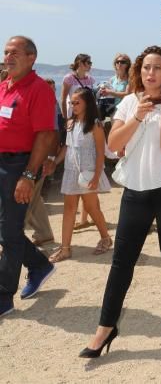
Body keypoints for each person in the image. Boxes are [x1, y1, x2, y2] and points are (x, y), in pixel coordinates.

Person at [80, 45, 161, 358]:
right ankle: (106, 326)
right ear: (138, 72)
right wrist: (138, 116)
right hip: (137, 190)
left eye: (157, 68)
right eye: (146, 68)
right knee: (122, 260)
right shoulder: (130, 102)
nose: (151, 73)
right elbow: (113, 144)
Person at [0, 36, 58, 318]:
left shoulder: (38, 89)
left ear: (31, 58)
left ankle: (3, 297)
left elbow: (46, 134)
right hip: (1, 163)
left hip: (19, 165)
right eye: (6, 52)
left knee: (10, 232)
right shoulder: (3, 87)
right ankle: (39, 265)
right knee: (4, 230)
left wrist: (28, 174)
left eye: (15, 53)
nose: (8, 57)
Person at [47, 87, 112, 262]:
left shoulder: (95, 125)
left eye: (77, 102)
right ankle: (65, 248)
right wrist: (54, 162)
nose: (73, 105)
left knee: (91, 207)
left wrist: (97, 176)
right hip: (71, 170)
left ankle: (105, 237)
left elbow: (100, 152)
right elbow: (67, 148)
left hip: (88, 172)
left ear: (87, 104)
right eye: (71, 102)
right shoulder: (70, 123)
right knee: (69, 208)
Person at [23, 78, 61, 247]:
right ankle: (44, 234)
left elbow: (52, 132)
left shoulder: (42, 99)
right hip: (30, 156)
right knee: (34, 197)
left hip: (35, 157)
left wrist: (51, 158)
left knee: (25, 197)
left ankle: (12, 238)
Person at [97, 53, 131, 121]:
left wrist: (110, 92)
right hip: (113, 110)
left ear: (127, 64)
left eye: (122, 62)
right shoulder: (112, 79)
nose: (119, 64)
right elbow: (108, 93)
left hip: (125, 110)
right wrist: (103, 91)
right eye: (117, 62)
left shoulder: (130, 79)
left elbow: (127, 95)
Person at [61, 54, 95, 120]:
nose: (90, 65)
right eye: (88, 63)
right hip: (73, 115)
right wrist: (65, 118)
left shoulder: (90, 79)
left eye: (91, 63)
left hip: (87, 115)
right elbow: (63, 99)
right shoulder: (69, 78)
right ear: (80, 63)